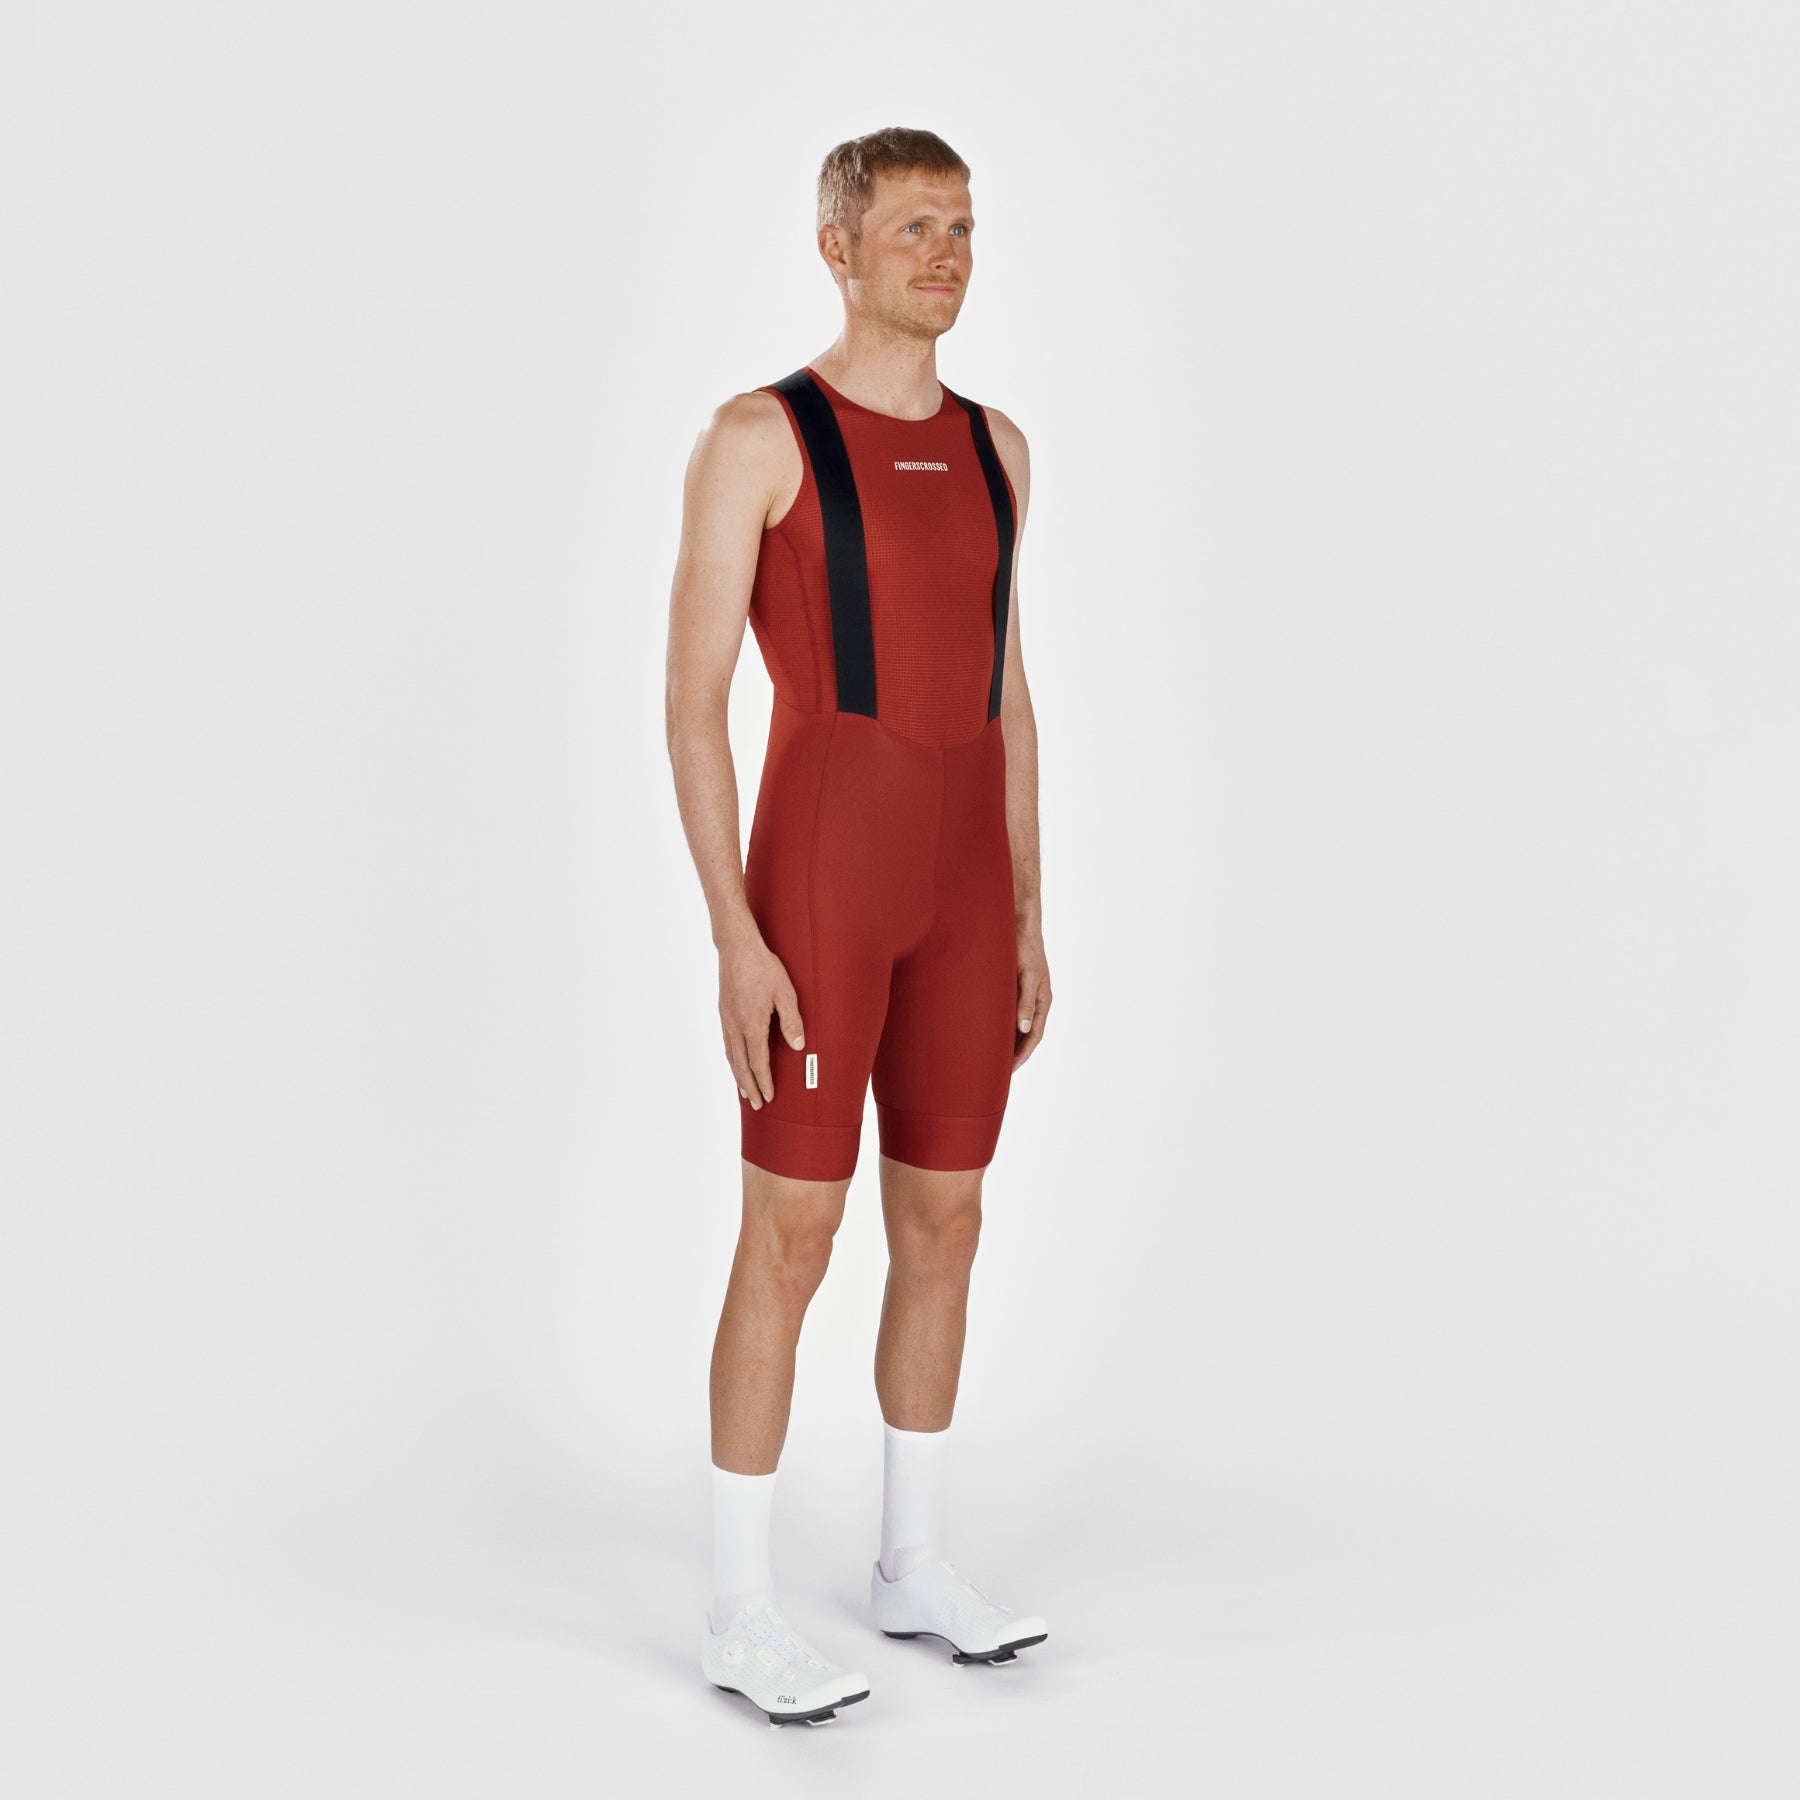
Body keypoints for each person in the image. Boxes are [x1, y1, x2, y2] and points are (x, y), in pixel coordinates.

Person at [663, 125, 1052, 1727]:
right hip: (823, 876)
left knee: (947, 1220)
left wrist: (1027, 907)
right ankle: (739, 1609)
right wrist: (734, 935)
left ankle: (911, 1562)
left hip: (963, 890)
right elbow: (693, 704)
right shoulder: (759, 436)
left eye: (961, 227)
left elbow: (1006, 692)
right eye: (912, 228)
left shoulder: (1000, 447)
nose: (945, 254)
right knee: (794, 1233)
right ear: (838, 248)